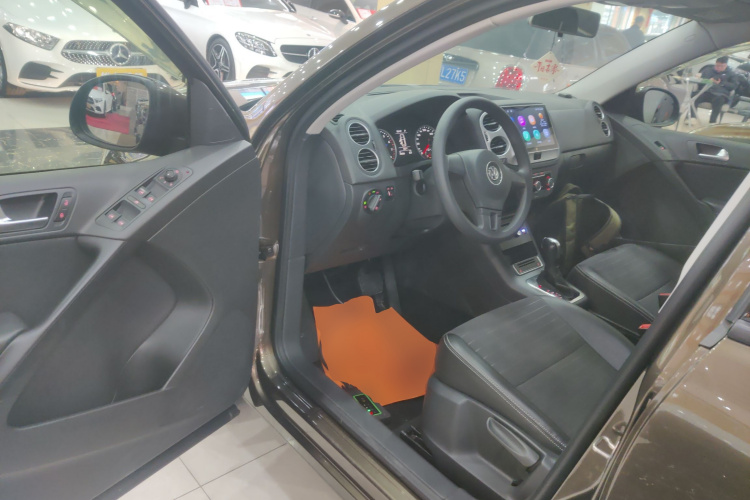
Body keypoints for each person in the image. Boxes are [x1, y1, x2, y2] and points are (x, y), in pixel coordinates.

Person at [694, 56, 739, 123]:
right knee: (694, 96)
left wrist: (722, 83)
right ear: (715, 63)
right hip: (706, 92)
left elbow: (734, 86)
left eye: (722, 66)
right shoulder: (708, 70)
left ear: (726, 65)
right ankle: (692, 117)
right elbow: (700, 82)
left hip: (721, 95)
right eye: (717, 66)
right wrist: (708, 81)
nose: (719, 68)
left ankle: (712, 121)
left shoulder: (731, 74)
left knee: (719, 100)